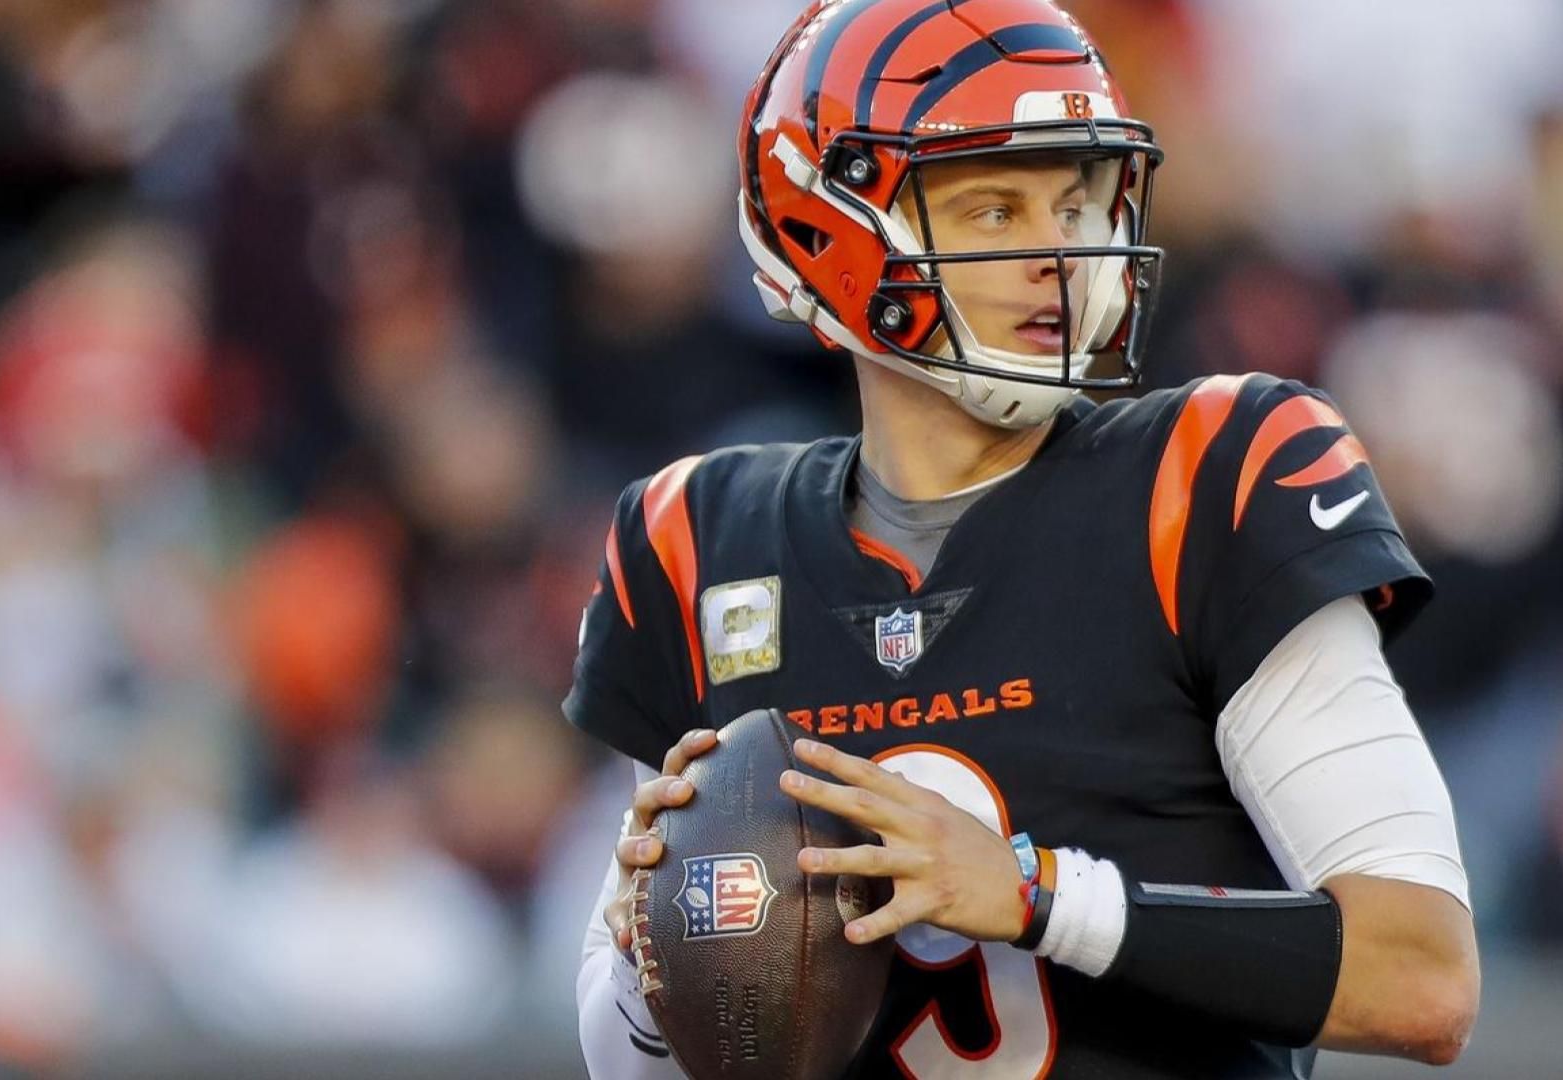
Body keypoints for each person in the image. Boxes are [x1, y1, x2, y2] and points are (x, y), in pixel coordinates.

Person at [568, 2, 1478, 1076]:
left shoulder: (1210, 476)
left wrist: (1039, 896)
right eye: (996, 209)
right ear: (832, 227)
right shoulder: (695, 540)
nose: (1062, 254)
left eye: (1078, 202)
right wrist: (656, 966)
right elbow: (627, 1060)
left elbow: (1421, 978)